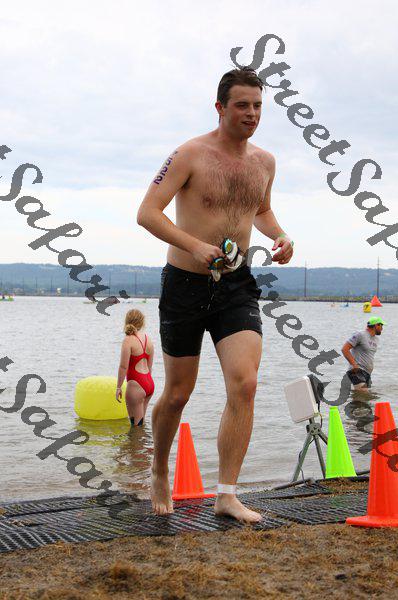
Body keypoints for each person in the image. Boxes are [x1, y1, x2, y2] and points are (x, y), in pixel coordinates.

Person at [137, 67, 294, 522]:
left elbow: (261, 209)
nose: (251, 113)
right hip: (184, 284)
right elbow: (147, 213)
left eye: (258, 105)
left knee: (245, 383)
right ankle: (159, 469)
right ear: (220, 107)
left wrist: (280, 235)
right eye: (242, 105)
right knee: (178, 393)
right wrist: (194, 246)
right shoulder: (190, 153)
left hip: (236, 285)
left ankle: (226, 495)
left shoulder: (265, 162)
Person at [116, 309, 155, 426]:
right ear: (142, 322)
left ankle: (137, 439)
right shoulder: (148, 339)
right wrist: (146, 384)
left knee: (136, 426)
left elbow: (123, 367)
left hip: (136, 384)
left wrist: (118, 387)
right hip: (149, 384)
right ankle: (145, 438)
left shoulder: (128, 340)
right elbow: (149, 367)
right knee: (141, 423)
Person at [342, 317, 386, 392]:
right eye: (381, 325)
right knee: (363, 394)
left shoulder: (376, 339)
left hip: (367, 373)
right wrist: (354, 365)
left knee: (363, 397)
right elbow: (345, 349)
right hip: (357, 370)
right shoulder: (360, 335)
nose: (382, 328)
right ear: (376, 325)